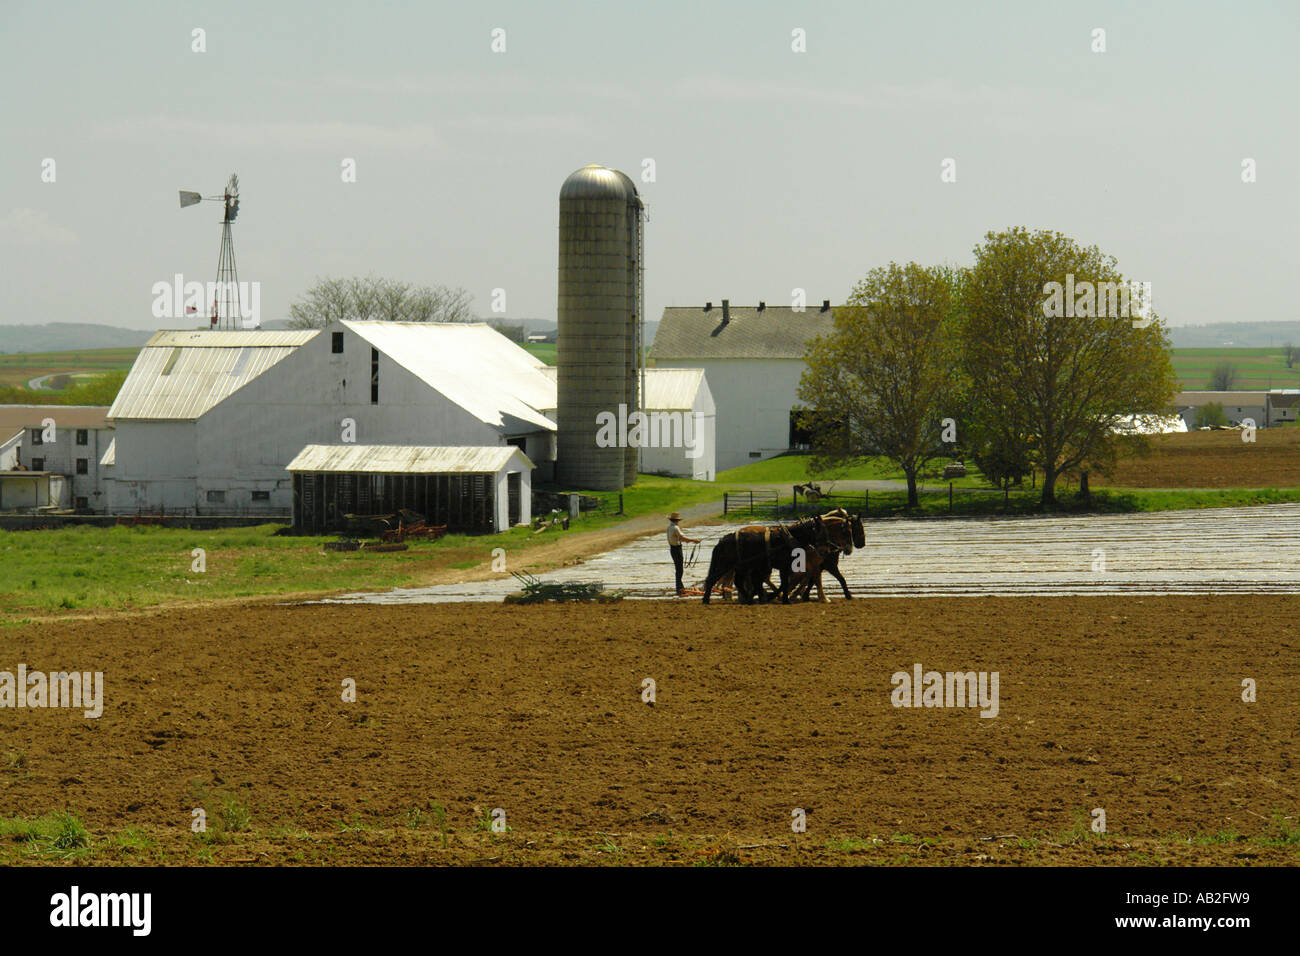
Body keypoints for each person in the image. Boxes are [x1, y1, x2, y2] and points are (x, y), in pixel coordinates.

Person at [667, 512, 700, 596]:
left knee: (678, 568)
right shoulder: (676, 528)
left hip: (672, 549)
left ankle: (680, 587)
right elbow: (682, 538)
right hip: (677, 549)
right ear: (677, 520)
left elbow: (679, 539)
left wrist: (690, 540)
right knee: (680, 569)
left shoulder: (669, 528)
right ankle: (679, 588)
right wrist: (694, 540)